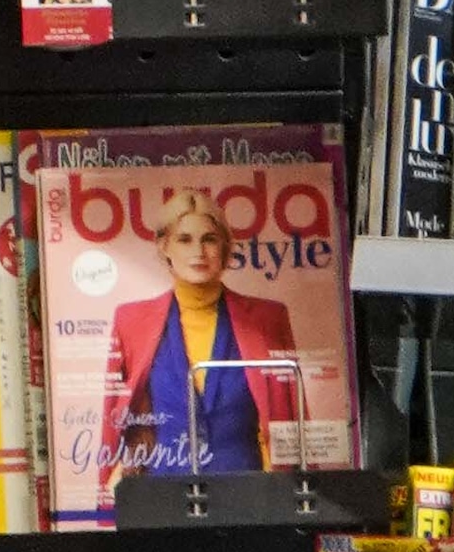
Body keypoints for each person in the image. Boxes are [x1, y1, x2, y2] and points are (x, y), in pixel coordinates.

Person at [96, 172, 302, 487]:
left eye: (209, 239)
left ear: (224, 247)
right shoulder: (131, 321)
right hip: (162, 495)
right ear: (164, 246)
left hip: (250, 495)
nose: (199, 251)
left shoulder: (268, 318)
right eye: (184, 239)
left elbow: (289, 418)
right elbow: (116, 418)